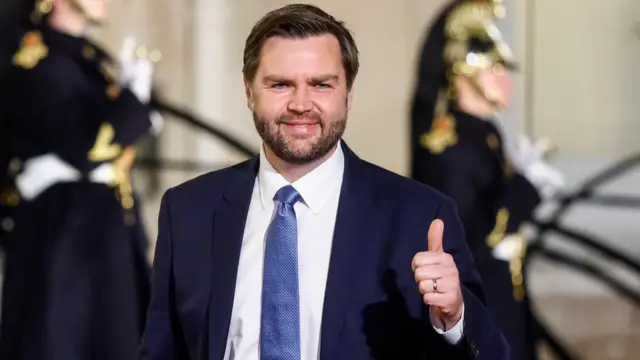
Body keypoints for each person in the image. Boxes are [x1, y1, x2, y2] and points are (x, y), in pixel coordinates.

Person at [139, 4, 509, 360]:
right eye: (280, 84)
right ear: (249, 90)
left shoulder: (419, 215)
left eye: (321, 85)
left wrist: (454, 318)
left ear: (348, 93)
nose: (301, 104)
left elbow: (491, 352)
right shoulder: (188, 211)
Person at [0, 0, 160, 358]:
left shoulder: (90, 61)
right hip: (62, 240)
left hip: (106, 234)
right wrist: (134, 102)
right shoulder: (36, 62)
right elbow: (86, 146)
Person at [409, 1, 564, 359]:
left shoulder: (485, 134)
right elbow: (469, 240)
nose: (505, 81)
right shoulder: (445, 147)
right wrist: (524, 189)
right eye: (495, 70)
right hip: (477, 308)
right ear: (465, 73)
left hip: (505, 297)